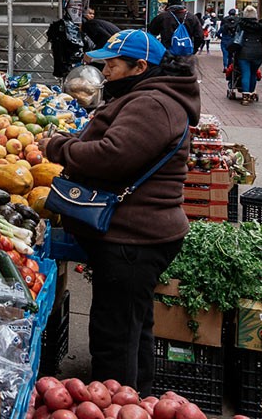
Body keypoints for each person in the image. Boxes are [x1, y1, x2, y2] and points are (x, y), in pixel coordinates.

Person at [43, 30, 198, 394]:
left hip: (134, 238)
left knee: (115, 335)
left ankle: (116, 399)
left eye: (112, 65)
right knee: (132, 325)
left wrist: (59, 147)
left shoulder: (153, 104)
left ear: (140, 67)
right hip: (135, 234)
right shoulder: (149, 96)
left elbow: (112, 156)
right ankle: (137, 396)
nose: (106, 72)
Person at [230, 5, 262, 105]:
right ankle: (251, 92)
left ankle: (245, 96)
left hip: (244, 52)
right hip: (258, 52)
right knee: (253, 73)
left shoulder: (241, 24)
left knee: (246, 73)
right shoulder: (261, 26)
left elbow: (236, 37)